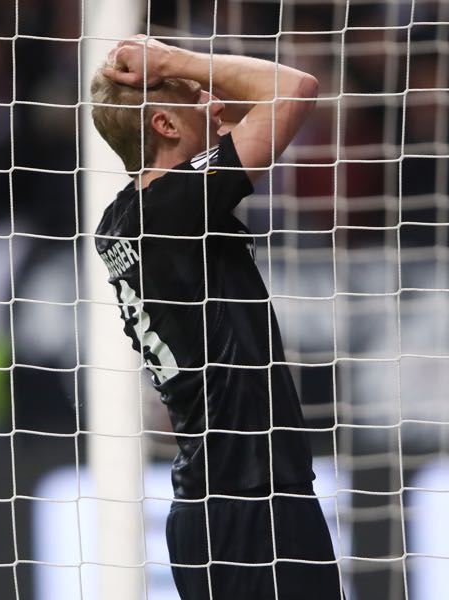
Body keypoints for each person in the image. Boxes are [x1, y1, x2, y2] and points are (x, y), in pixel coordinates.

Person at [91, 36, 343, 600]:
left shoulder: (125, 219)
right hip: (252, 502)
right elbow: (294, 90)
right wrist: (173, 60)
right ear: (165, 125)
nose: (220, 103)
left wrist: (186, 84)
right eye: (199, 96)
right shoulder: (174, 208)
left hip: (210, 504)